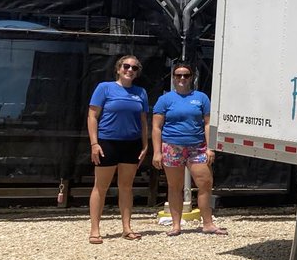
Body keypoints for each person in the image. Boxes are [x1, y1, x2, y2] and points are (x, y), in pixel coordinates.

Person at [152, 61, 226, 236]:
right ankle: (176, 226)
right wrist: (157, 152)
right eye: (179, 75)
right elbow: (156, 127)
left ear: (192, 77)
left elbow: (208, 124)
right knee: (174, 186)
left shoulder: (201, 98)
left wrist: (210, 148)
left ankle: (207, 223)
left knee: (205, 184)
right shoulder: (165, 100)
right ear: (173, 77)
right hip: (172, 147)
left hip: (197, 147)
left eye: (186, 75)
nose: (182, 78)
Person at [87, 54, 151, 243]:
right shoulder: (104, 88)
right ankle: (95, 230)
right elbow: (92, 116)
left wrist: (145, 144)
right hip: (108, 142)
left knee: (126, 187)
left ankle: (127, 228)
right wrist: (94, 143)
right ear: (118, 68)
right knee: (101, 186)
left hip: (131, 144)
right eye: (126, 66)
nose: (129, 70)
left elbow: (143, 120)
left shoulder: (141, 93)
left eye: (134, 68)